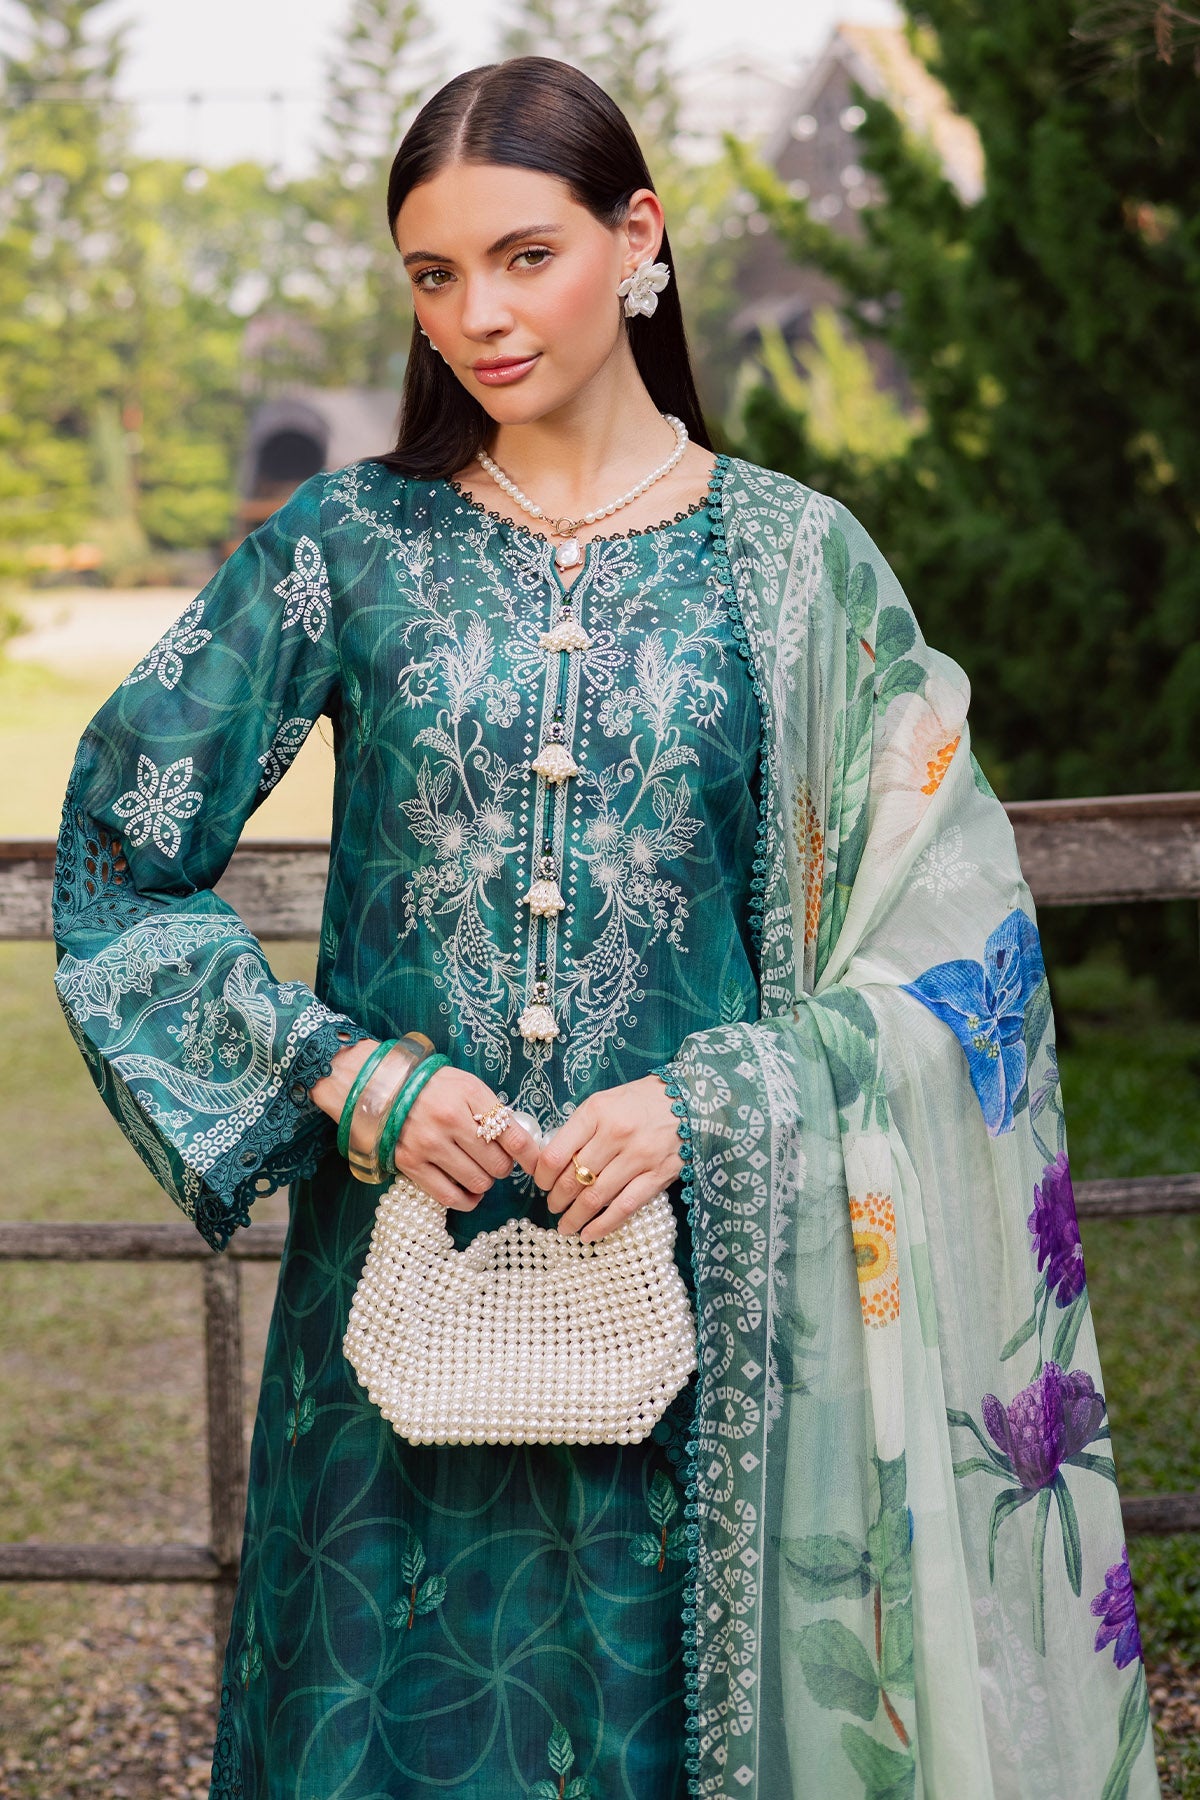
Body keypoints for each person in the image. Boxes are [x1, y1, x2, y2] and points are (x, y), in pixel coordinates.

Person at [49, 54, 1160, 1800]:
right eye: (433, 276)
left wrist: (705, 1106)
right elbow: (117, 858)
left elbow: (957, 952)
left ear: (638, 237)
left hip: (708, 1315)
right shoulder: (349, 544)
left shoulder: (797, 564)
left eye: (525, 256)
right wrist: (345, 1075)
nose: (476, 318)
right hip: (396, 1310)